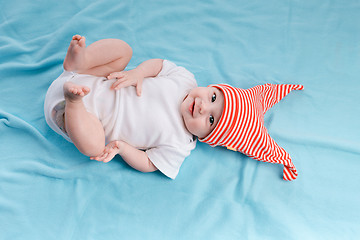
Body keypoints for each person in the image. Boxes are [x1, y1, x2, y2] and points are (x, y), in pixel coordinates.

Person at [44, 35, 224, 179]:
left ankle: (74, 102)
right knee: (124, 51)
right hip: (88, 78)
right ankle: (82, 61)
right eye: (213, 97)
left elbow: (149, 163)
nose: (203, 107)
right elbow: (159, 65)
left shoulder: (181, 144)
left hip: (77, 118)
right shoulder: (186, 80)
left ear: (208, 137)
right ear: (211, 87)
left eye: (210, 119)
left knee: (95, 147)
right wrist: (139, 73)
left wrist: (123, 149)